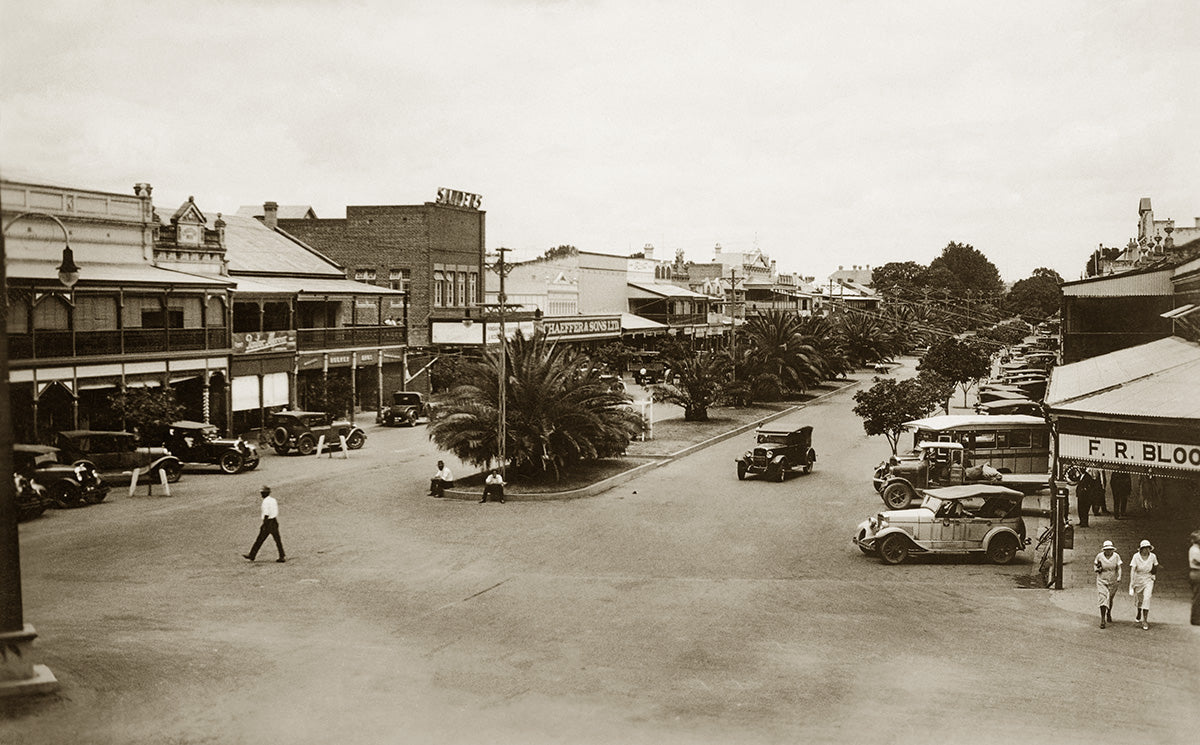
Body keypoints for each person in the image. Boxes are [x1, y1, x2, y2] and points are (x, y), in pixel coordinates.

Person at [243, 485, 285, 563]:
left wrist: (264, 525)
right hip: (274, 521)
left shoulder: (265, 502)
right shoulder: (273, 500)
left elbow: (266, 514)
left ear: (264, 493)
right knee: (277, 540)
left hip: (268, 522)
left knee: (259, 540)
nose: (261, 494)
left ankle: (252, 555)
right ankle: (282, 555)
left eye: (262, 493)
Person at [1128, 539, 1159, 630]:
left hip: (1148, 579)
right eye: (1144, 548)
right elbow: (1133, 569)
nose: (1146, 550)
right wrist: (1131, 582)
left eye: (1148, 548)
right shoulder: (1136, 556)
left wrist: (1153, 574)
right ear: (1141, 549)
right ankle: (1139, 611)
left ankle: (1145, 620)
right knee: (1139, 599)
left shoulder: (1153, 556)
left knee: (1147, 598)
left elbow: (1155, 565)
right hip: (1138, 579)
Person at [1093, 540, 1122, 628]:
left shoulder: (1116, 556)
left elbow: (1119, 567)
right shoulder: (1099, 556)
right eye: (1106, 550)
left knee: (1110, 598)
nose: (1108, 551)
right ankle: (1102, 619)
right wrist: (1097, 569)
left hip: (1113, 580)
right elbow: (1095, 565)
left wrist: (1119, 576)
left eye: (1110, 549)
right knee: (1103, 598)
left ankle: (1108, 612)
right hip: (1102, 580)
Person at [1189, 530, 1200, 626]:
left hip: (1196, 572)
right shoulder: (1195, 550)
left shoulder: (1195, 549)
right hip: (1197, 572)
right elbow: (1196, 561)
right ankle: (1195, 619)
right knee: (1197, 596)